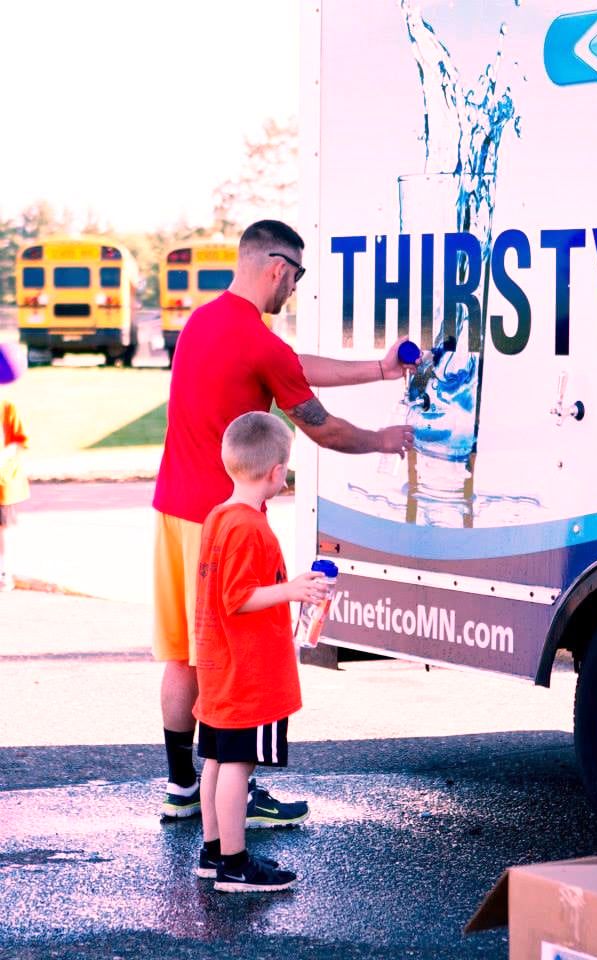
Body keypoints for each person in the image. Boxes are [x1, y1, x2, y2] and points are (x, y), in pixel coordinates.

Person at [152, 218, 415, 823]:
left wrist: (378, 370)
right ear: (277, 267)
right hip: (227, 522)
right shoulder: (258, 340)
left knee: (184, 654)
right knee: (234, 658)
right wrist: (382, 439)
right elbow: (323, 427)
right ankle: (235, 794)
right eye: (296, 276)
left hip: (173, 512)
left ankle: (182, 787)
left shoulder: (204, 322)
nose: (295, 288)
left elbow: (290, 365)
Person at [194, 411, 325, 891]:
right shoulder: (249, 527)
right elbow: (238, 596)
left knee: (216, 760)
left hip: (220, 669)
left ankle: (214, 852)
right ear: (276, 471)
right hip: (247, 673)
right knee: (238, 765)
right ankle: (235, 863)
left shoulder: (219, 516)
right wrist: (291, 590)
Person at [0, 391, 29, 592]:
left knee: (2, 528)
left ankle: (4, 572)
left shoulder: (6, 407)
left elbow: (18, 441)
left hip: (3, 479)